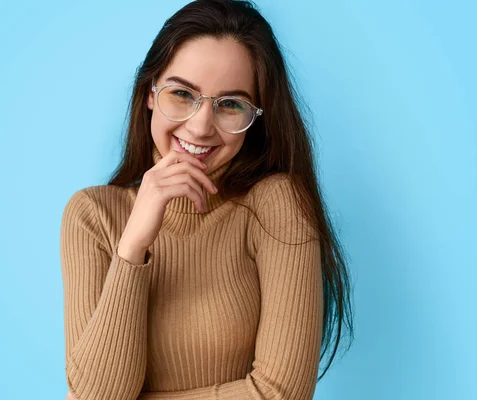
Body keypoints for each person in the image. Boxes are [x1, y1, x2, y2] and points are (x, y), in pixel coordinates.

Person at [61, 0, 353, 399]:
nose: (200, 127)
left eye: (230, 104)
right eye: (182, 94)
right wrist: (132, 248)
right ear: (150, 92)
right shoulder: (92, 216)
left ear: (256, 115)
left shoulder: (276, 206)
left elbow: (280, 394)